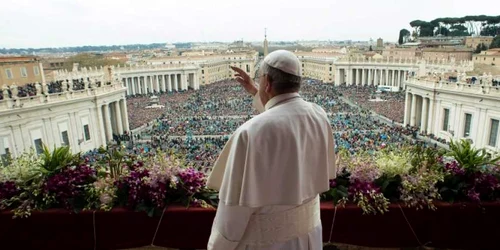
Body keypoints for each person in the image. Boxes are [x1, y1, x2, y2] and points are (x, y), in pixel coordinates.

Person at [207, 50, 337, 250]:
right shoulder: (319, 115)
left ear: (267, 82)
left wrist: (217, 245)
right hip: (309, 236)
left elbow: (233, 214)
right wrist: (256, 91)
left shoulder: (249, 133)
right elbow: (285, 116)